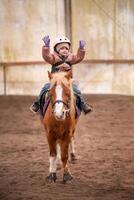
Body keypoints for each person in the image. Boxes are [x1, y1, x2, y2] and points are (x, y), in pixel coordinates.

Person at [30, 35, 93, 114]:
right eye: (62, 48)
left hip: (67, 81)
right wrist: (46, 47)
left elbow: (79, 57)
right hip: (55, 81)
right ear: (57, 50)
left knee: (76, 89)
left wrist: (81, 49)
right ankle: (37, 104)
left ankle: (83, 104)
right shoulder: (53, 58)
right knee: (45, 87)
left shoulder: (71, 58)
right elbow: (47, 56)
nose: (64, 50)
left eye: (66, 48)